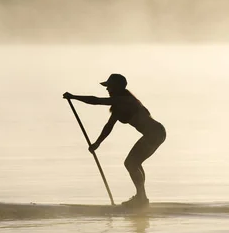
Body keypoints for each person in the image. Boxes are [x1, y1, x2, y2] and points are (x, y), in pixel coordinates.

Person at [63, 73, 166, 208]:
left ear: (117, 87)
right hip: (154, 133)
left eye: (109, 87)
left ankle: (141, 198)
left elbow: (96, 101)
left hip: (155, 133)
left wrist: (74, 97)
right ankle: (141, 198)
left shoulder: (125, 100)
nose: (107, 90)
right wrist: (97, 144)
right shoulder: (118, 107)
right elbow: (108, 126)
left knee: (130, 163)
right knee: (135, 163)